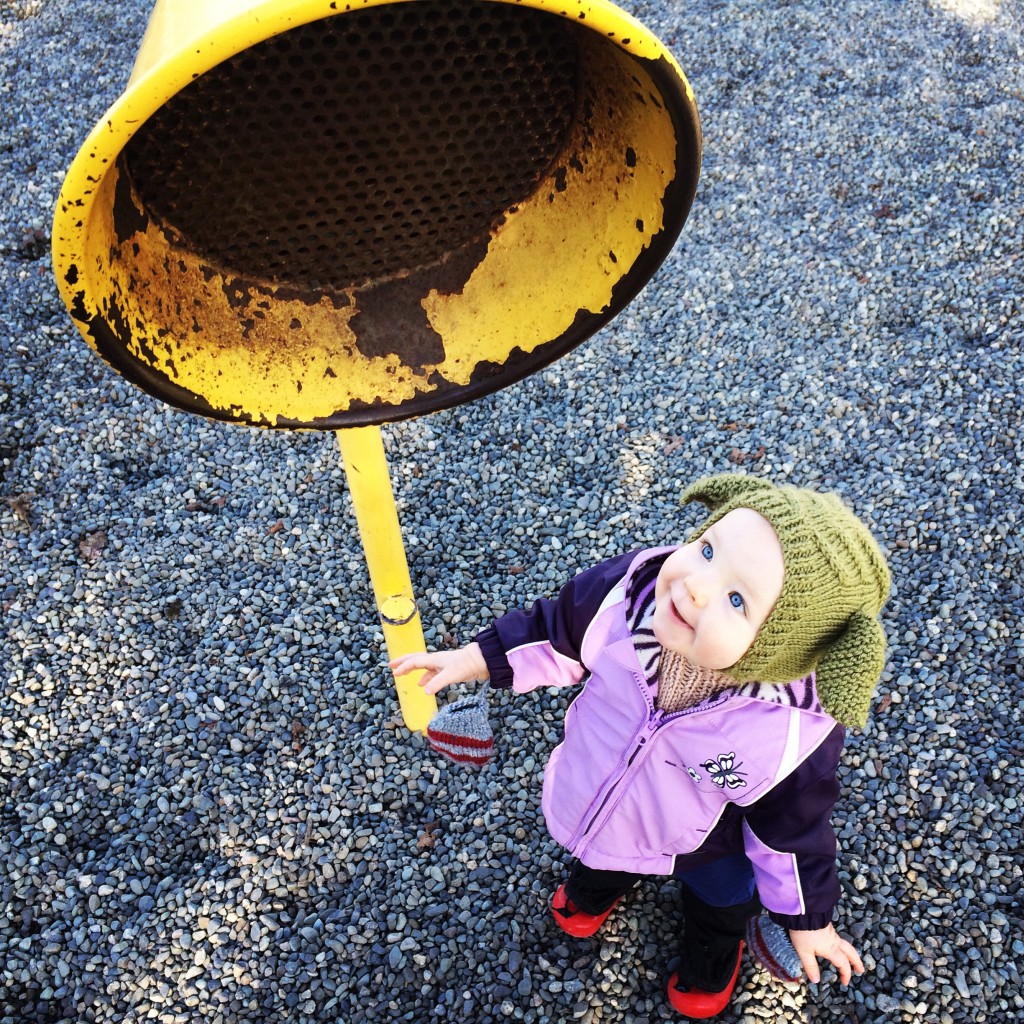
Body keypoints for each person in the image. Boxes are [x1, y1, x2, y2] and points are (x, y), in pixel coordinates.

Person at [391, 474, 891, 1019]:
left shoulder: (789, 732)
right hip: (599, 782)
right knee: (605, 847)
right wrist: (476, 659)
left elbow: (791, 830)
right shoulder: (628, 599)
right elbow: (557, 628)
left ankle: (713, 951)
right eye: (706, 549)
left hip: (704, 841)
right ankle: (597, 880)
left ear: (780, 650)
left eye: (736, 598)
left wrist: (807, 918)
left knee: (720, 899)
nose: (696, 585)